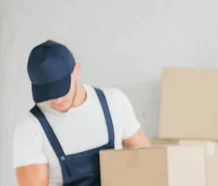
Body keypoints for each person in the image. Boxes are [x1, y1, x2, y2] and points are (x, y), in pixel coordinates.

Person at [12, 40, 152, 186]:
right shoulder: (30, 129)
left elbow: (149, 163)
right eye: (48, 93)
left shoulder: (114, 103)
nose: (57, 98)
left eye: (61, 88)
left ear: (76, 69)